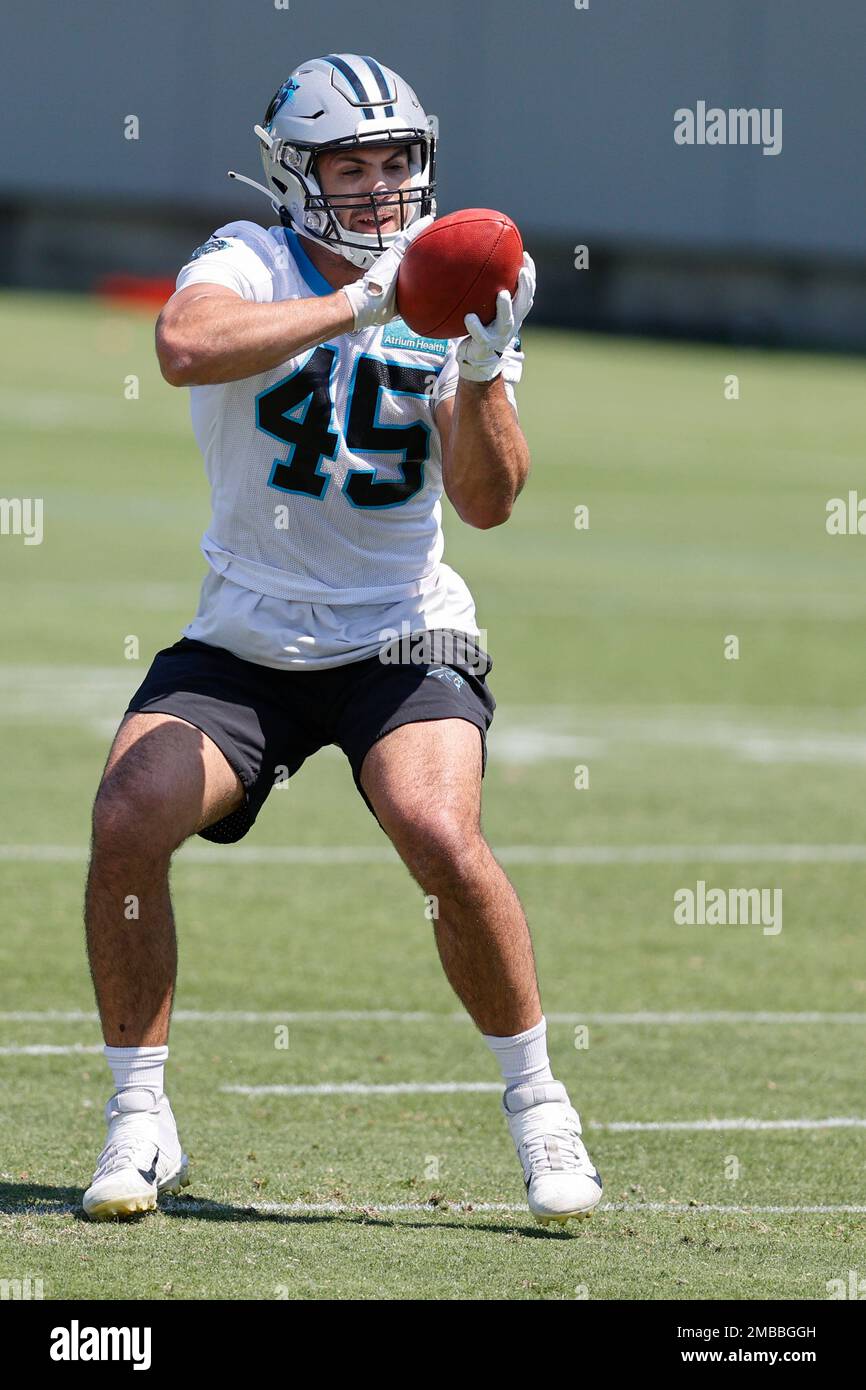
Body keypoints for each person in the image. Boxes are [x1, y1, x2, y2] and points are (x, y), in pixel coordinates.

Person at [82, 54, 602, 1227]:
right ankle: (139, 1118)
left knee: (436, 827)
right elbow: (183, 346)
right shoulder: (248, 257)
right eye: (349, 167)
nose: (377, 189)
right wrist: (359, 302)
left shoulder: (453, 281)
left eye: (393, 163)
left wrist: (478, 369)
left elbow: (487, 501)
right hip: (247, 631)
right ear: (293, 174)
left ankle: (539, 1108)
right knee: (128, 811)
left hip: (399, 632)